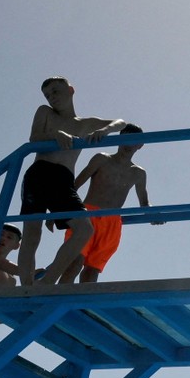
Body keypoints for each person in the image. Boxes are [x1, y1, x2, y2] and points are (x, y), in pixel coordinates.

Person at [18, 76, 126, 285]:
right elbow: (34, 137)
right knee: (32, 233)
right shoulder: (45, 112)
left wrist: (104, 130)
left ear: (70, 90)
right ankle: (26, 287)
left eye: (55, 91)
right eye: (47, 95)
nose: (52, 97)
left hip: (63, 178)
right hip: (40, 173)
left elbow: (121, 123)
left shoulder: (85, 124)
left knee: (84, 229)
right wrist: (55, 134)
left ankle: (47, 282)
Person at [49, 123, 162, 283]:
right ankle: (59, 296)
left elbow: (144, 202)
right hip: (87, 215)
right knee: (74, 263)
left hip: (112, 222)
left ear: (140, 145)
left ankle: (83, 300)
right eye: (125, 139)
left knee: (92, 271)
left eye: (133, 140)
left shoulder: (138, 173)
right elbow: (75, 185)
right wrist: (58, 208)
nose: (128, 144)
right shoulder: (102, 159)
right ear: (118, 139)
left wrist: (153, 214)